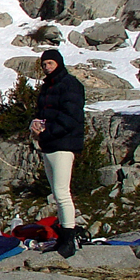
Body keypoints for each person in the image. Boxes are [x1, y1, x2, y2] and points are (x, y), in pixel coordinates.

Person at [29, 49, 86, 258]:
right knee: (56, 193)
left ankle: (69, 239)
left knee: (62, 192)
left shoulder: (70, 84)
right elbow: (42, 113)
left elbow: (71, 117)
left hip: (63, 144)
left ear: (59, 64)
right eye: (44, 65)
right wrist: (35, 125)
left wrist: (48, 132)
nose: (47, 68)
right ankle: (63, 237)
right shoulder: (47, 87)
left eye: (50, 64)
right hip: (49, 144)